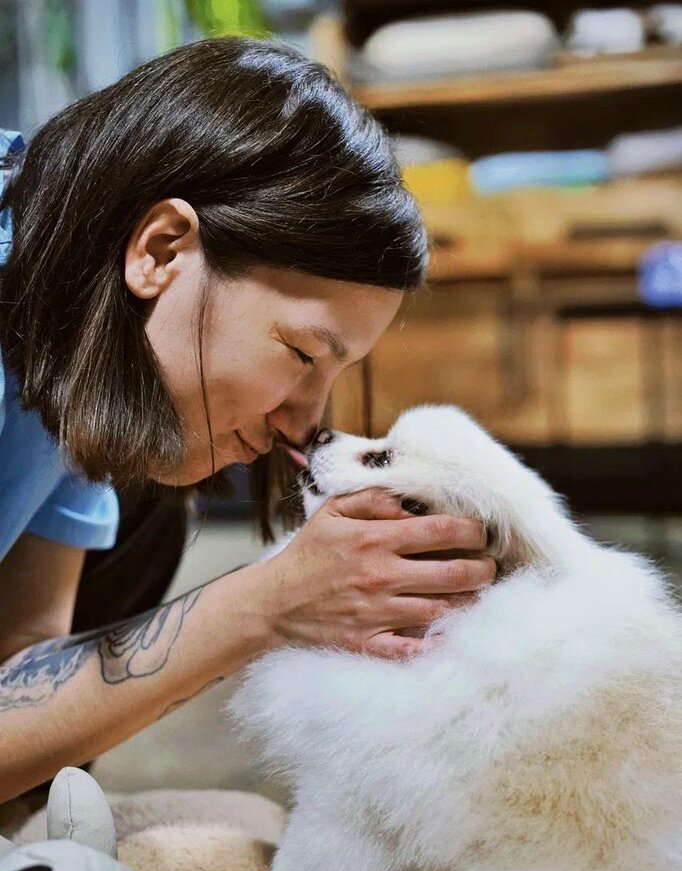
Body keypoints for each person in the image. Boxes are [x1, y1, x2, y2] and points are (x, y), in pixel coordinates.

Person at [0, 37, 495, 805]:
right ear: (161, 251)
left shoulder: (70, 331)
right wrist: (265, 607)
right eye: (301, 353)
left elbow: (19, 662)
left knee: (145, 513)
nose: (306, 424)